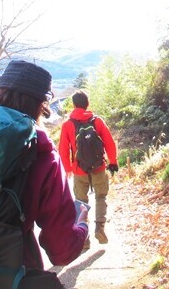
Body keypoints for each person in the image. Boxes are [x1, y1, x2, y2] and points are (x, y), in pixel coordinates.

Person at [0, 60, 89, 272]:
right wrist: (81, 227)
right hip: (5, 272)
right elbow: (61, 250)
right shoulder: (39, 152)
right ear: (41, 106)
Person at [58, 89, 118, 247]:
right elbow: (109, 142)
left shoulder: (68, 125)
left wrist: (67, 168)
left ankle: (84, 238)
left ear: (74, 104)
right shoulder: (97, 121)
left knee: (80, 201)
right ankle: (100, 227)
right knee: (100, 197)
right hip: (99, 166)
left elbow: (63, 149)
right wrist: (113, 161)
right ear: (87, 104)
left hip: (79, 169)